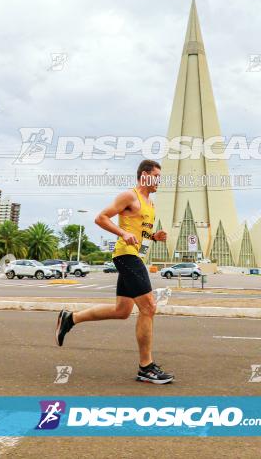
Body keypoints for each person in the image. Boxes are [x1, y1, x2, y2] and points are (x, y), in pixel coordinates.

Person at [54, 159, 173, 384]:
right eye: (156, 177)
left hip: (136, 256)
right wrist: (122, 234)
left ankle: (70, 318)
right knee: (148, 307)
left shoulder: (150, 203)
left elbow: (140, 234)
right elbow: (101, 218)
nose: (159, 181)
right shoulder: (130, 196)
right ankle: (145, 367)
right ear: (145, 175)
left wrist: (154, 237)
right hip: (126, 256)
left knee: (122, 310)